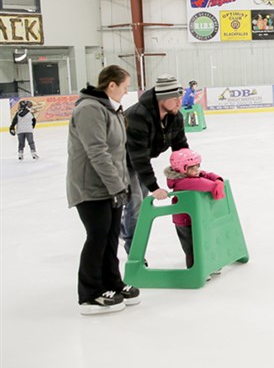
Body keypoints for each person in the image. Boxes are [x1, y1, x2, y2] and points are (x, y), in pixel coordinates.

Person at [67, 65, 141, 315]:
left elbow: (118, 154)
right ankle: (89, 294)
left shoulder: (112, 110)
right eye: (125, 86)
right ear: (111, 85)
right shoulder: (89, 109)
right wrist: (116, 186)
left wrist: (123, 185)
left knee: (110, 237)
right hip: (90, 187)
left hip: (111, 187)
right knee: (97, 236)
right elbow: (97, 152)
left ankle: (112, 282)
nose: (126, 91)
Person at [121, 75, 189, 255]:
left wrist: (189, 170)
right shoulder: (136, 117)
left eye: (180, 98)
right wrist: (154, 187)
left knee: (140, 203)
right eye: (175, 98)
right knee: (135, 203)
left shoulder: (175, 116)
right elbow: (138, 158)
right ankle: (134, 253)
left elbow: (180, 147)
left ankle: (122, 229)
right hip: (121, 160)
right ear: (162, 98)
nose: (179, 102)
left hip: (140, 159)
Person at [164, 149, 225, 269]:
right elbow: (204, 183)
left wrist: (218, 179)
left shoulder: (189, 176)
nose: (197, 170)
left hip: (194, 217)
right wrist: (216, 184)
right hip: (184, 221)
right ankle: (194, 269)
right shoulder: (183, 182)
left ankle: (207, 265)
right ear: (181, 169)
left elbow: (204, 174)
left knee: (203, 243)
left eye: (198, 166)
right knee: (191, 247)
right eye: (192, 168)